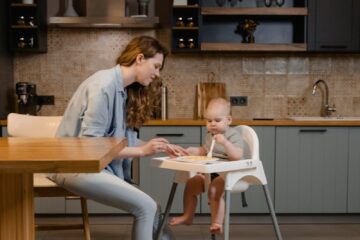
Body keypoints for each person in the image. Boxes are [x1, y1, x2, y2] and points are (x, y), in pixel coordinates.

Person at [49, 35, 186, 240]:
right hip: (73, 167)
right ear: (140, 59)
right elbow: (91, 147)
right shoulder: (104, 86)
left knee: (152, 207)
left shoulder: (120, 89)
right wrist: (141, 151)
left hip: (89, 166)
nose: (157, 74)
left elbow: (118, 142)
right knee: (146, 207)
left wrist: (152, 145)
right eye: (156, 66)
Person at [169, 97, 247, 234]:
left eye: (217, 120)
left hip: (228, 174)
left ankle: (217, 223)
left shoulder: (233, 135)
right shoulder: (210, 135)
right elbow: (204, 151)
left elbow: (237, 156)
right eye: (209, 121)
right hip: (210, 172)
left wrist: (225, 143)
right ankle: (188, 216)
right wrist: (189, 151)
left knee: (214, 191)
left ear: (229, 120)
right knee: (191, 184)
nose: (212, 124)